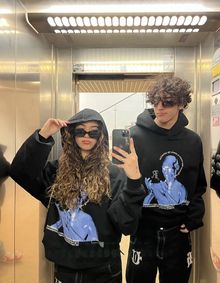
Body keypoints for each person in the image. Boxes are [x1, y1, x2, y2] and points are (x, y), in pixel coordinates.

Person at [10, 108, 146, 283]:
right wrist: (42, 137)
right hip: (65, 266)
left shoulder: (113, 174)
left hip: (104, 268)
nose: (87, 135)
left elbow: (127, 225)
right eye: (80, 130)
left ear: (101, 135)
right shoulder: (56, 171)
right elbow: (20, 172)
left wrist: (134, 179)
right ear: (71, 134)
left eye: (93, 131)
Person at [126, 76, 207, 283]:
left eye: (168, 102)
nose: (160, 108)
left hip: (177, 234)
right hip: (143, 233)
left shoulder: (192, 141)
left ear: (181, 104)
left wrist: (194, 218)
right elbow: (123, 183)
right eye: (156, 102)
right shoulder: (135, 136)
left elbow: (198, 184)